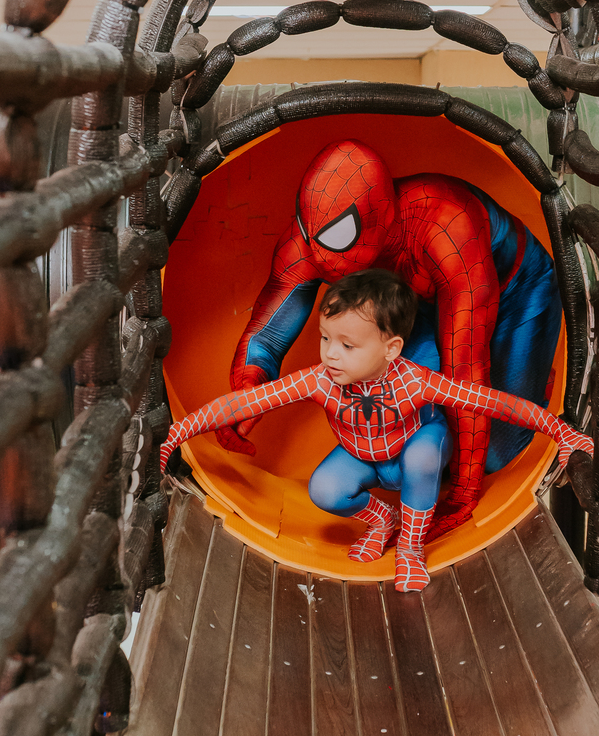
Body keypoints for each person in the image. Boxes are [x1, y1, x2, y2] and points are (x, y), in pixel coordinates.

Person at [162, 268, 590, 593]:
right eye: (325, 338)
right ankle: (382, 520)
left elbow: (491, 402)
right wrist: (182, 429)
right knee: (325, 489)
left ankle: (409, 546)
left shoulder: (416, 380)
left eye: (347, 345)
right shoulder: (320, 379)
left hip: (412, 452)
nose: (331, 354)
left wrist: (558, 430)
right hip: (363, 456)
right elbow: (248, 401)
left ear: (391, 349)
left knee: (423, 453)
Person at [225, 140, 562, 538]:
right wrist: (246, 391)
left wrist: (464, 494)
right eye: (311, 238)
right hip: (419, 300)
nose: (322, 261)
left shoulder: (444, 225)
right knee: (388, 392)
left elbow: (466, 369)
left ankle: (532, 385)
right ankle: (435, 453)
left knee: (494, 453)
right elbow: (267, 330)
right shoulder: (311, 243)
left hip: (512, 288)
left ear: (378, 218)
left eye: (335, 240)